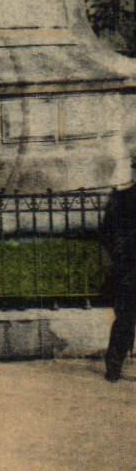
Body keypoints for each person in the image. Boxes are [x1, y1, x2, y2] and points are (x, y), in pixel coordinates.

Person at [99, 160, 136, 382]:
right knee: (125, 319)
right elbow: (106, 232)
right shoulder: (122, 199)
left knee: (125, 318)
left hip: (127, 268)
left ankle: (113, 365)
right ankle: (113, 366)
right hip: (129, 268)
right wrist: (121, 255)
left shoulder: (121, 198)